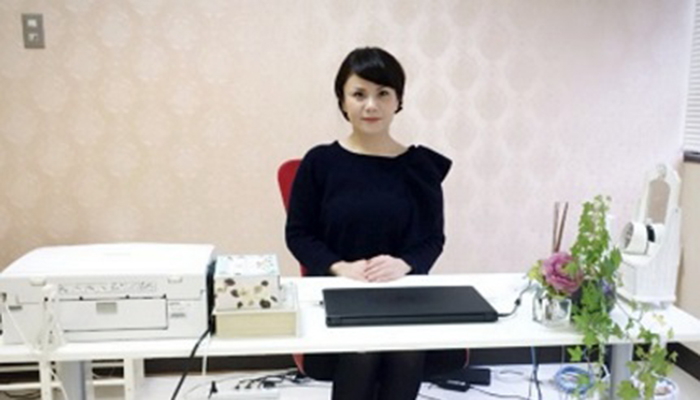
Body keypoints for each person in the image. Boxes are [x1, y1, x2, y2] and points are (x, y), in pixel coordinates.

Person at [285, 47, 462, 400]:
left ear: (398, 101)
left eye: (383, 93)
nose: (371, 105)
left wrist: (405, 264)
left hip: (402, 293)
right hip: (339, 292)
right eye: (359, 94)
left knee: (406, 351)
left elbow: (433, 239)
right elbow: (298, 234)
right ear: (342, 101)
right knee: (361, 350)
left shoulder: (420, 167)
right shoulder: (320, 163)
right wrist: (339, 267)